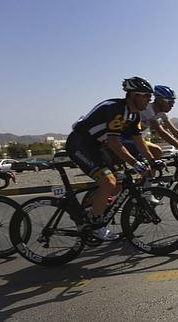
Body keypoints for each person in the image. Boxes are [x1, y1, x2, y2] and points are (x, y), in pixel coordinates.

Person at [66, 77, 158, 240]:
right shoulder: (115, 109)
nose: (149, 100)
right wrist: (136, 164)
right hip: (79, 144)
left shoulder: (134, 115)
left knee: (118, 184)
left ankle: (89, 210)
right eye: (146, 96)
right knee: (108, 182)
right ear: (134, 95)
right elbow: (115, 143)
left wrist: (151, 161)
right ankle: (96, 224)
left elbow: (139, 141)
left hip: (97, 147)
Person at [121, 85, 178, 160]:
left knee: (155, 158)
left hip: (134, 138)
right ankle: (148, 175)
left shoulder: (162, 114)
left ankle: (148, 175)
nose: (172, 105)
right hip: (123, 138)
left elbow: (175, 132)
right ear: (160, 100)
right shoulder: (148, 109)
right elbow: (161, 132)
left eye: (173, 102)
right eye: (170, 102)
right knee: (156, 151)